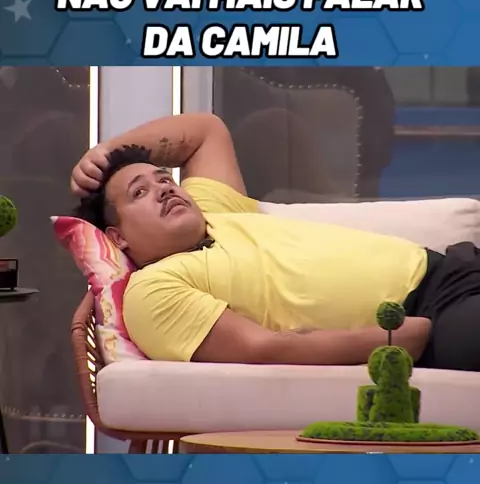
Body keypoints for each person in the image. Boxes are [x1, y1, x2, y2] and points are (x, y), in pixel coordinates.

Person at [71, 112, 480, 371]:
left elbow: (204, 131)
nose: (164, 188)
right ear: (117, 237)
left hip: (455, 268)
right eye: (140, 192)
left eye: (164, 179)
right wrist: (393, 340)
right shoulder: (154, 288)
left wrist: (108, 152)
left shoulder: (216, 213)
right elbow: (261, 349)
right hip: (431, 314)